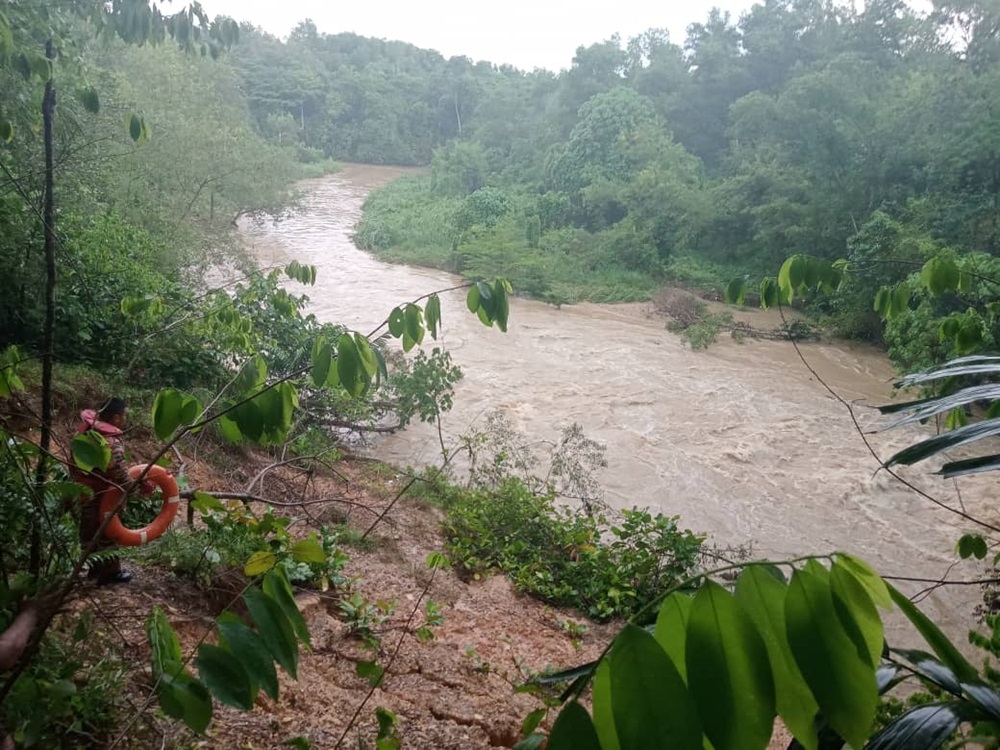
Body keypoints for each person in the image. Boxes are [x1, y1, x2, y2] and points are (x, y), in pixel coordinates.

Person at [71, 397, 140, 585]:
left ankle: (93, 569)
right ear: (116, 418)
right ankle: (109, 574)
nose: (125, 419)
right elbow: (118, 472)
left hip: (85, 491)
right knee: (106, 532)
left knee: (88, 531)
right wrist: (135, 490)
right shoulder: (110, 440)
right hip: (102, 494)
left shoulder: (85, 432)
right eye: (124, 416)